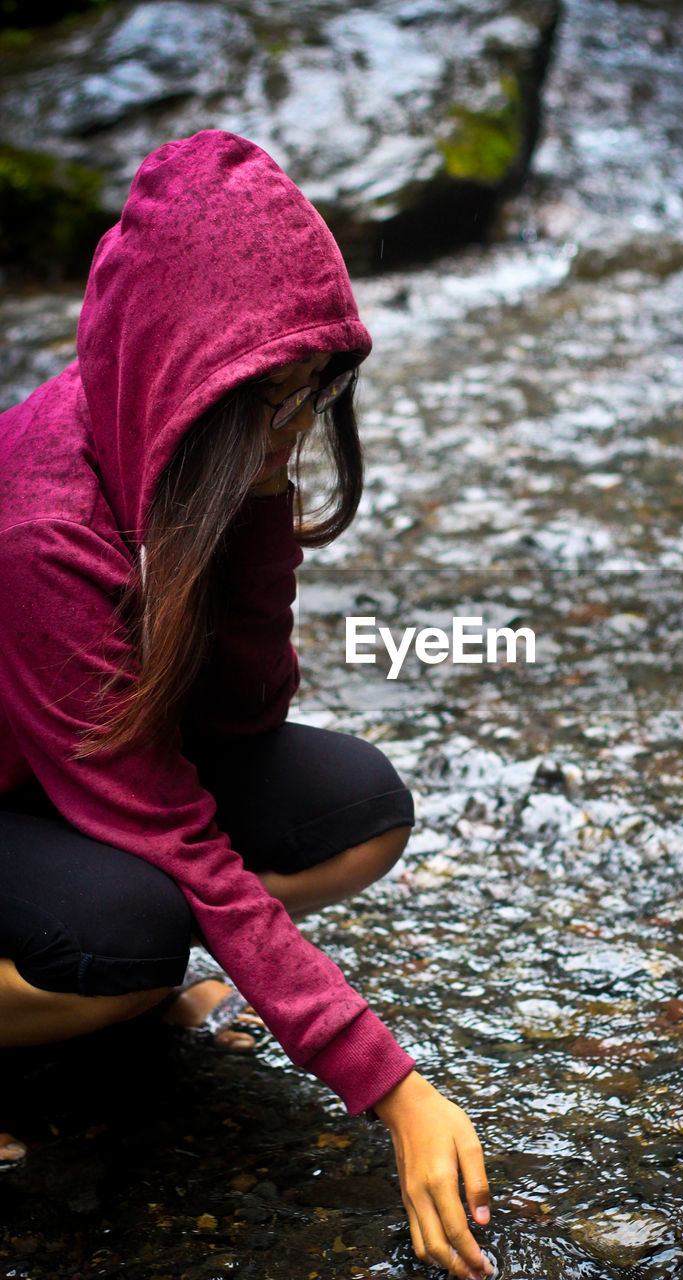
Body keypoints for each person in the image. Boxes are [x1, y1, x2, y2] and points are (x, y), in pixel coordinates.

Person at [0, 129, 493, 1280]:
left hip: (69, 767)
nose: (289, 430)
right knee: (132, 935)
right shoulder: (41, 528)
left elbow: (242, 719)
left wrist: (263, 510)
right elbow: (172, 827)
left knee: (359, 805)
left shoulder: (186, 448)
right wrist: (395, 1086)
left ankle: (103, 993)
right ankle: (92, 996)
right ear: (185, 374)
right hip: (27, 783)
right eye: (266, 406)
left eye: (307, 396)